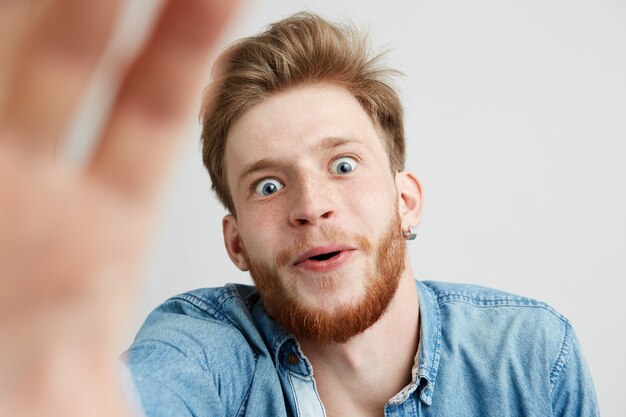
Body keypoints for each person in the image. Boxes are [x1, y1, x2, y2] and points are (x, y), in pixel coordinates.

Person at [0, 2, 599, 417]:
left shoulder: (532, 359)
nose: (311, 207)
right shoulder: (205, 353)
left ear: (406, 201)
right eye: (267, 185)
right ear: (235, 243)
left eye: (342, 164)